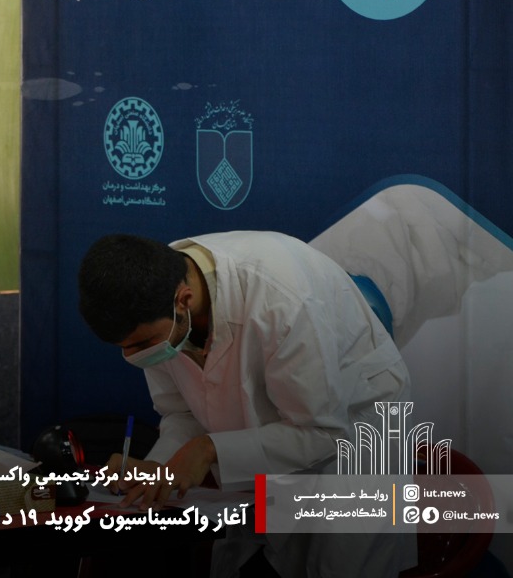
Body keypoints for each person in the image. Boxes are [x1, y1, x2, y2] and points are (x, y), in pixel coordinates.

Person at [77, 230, 413, 577]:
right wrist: (160, 465)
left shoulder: (281, 301)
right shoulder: (149, 296)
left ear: (183, 300)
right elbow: (183, 411)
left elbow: (322, 431)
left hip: (355, 430)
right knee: (252, 558)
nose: (135, 356)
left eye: (144, 344)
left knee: (339, 562)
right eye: (125, 348)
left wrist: (209, 449)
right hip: (276, 435)